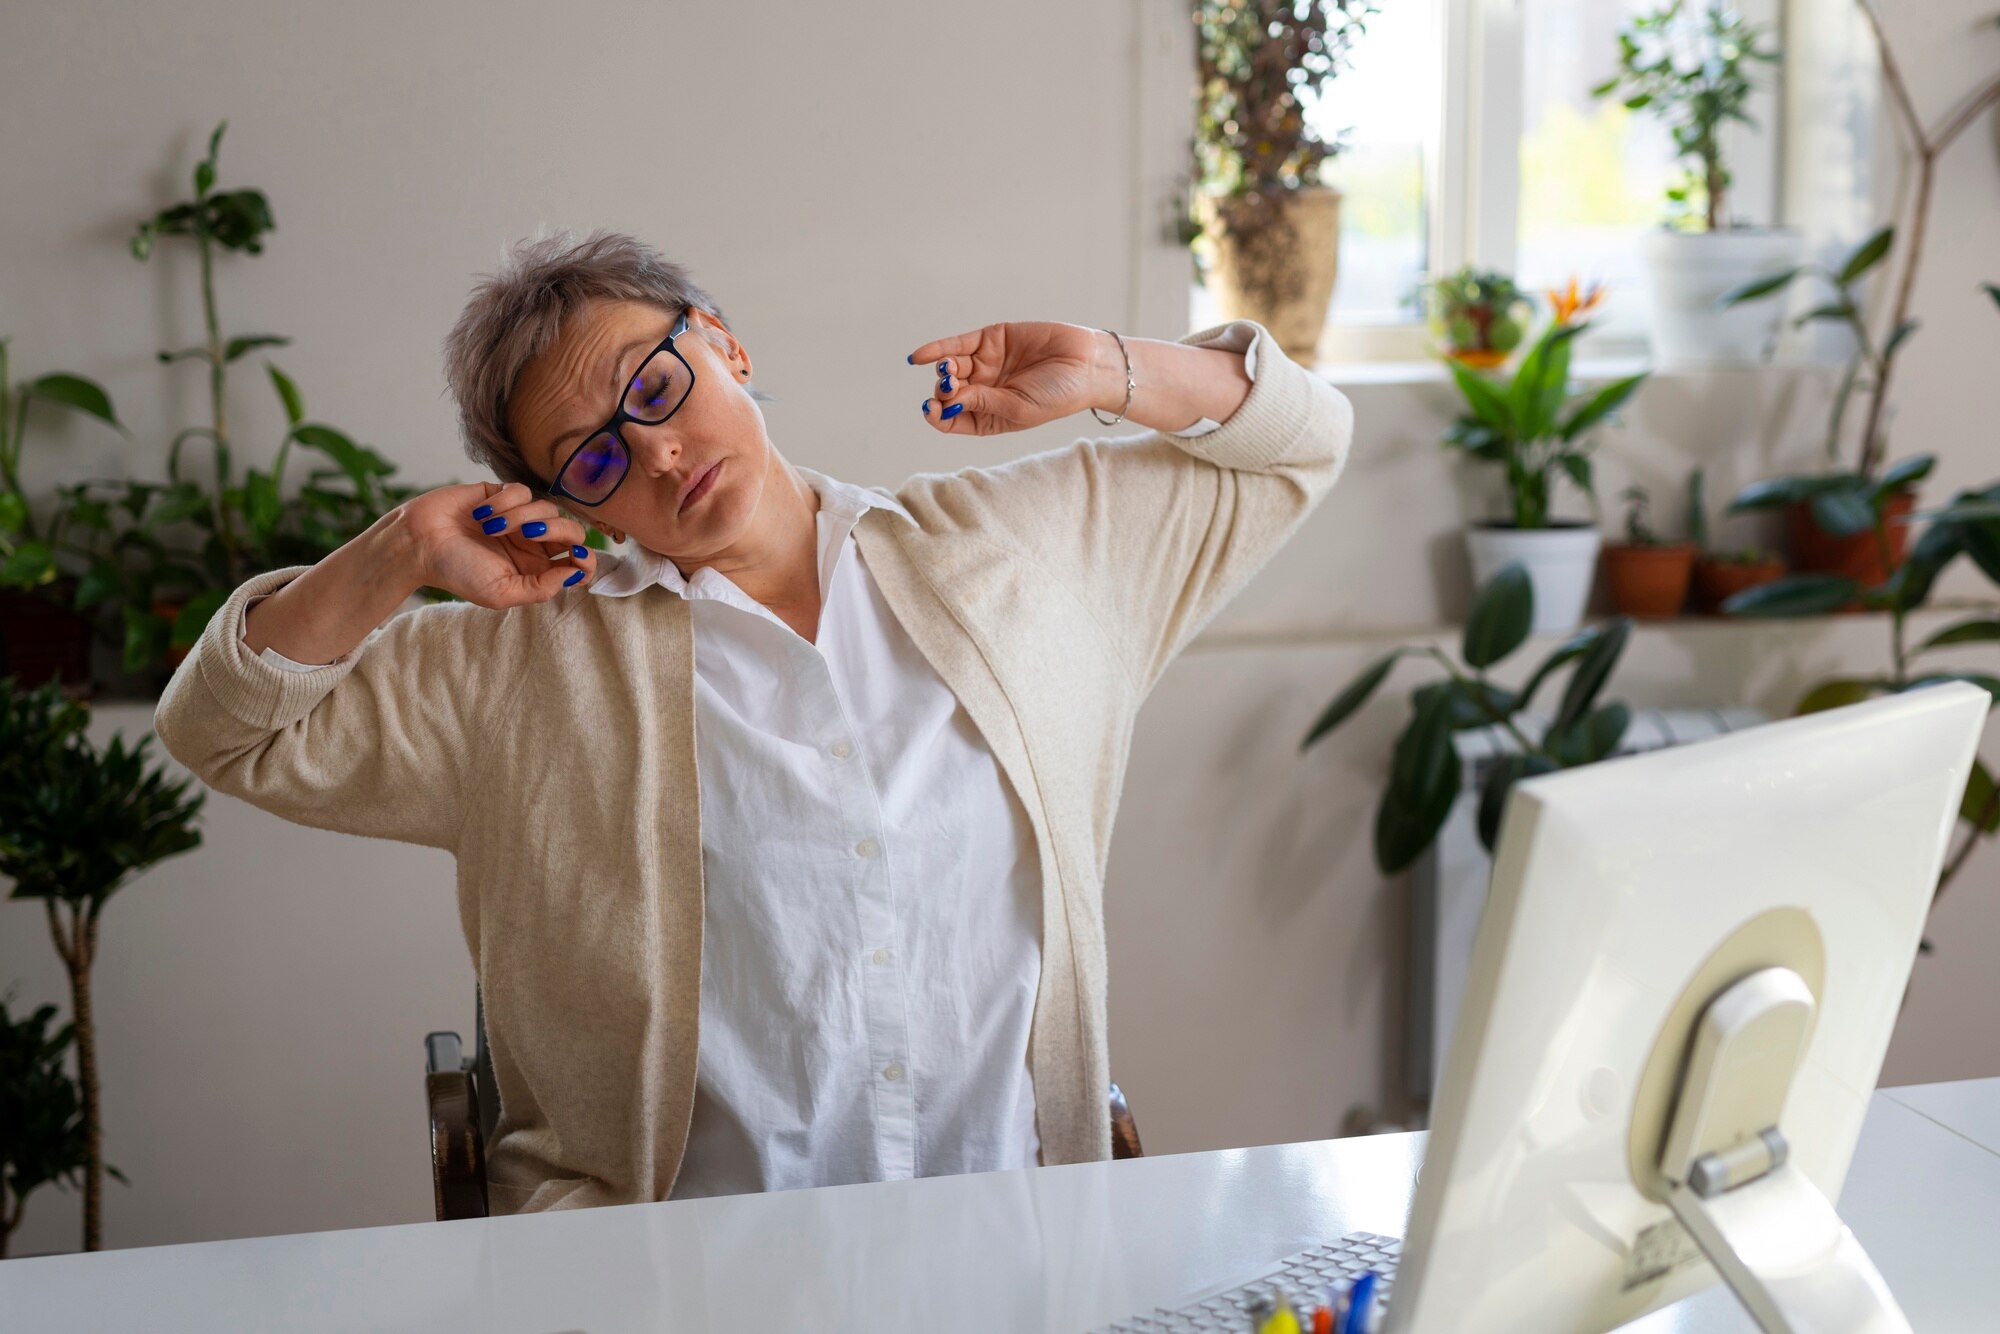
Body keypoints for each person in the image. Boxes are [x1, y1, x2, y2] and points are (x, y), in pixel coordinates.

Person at [152, 228, 1356, 1213]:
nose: (658, 452)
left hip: (1016, 1252)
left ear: (723, 342)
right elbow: (219, 726)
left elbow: (1301, 443)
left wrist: (1109, 368)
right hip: (670, 1286)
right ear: (567, 500)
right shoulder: (518, 668)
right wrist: (399, 551)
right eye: (593, 459)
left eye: (656, 386)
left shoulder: (1016, 558)